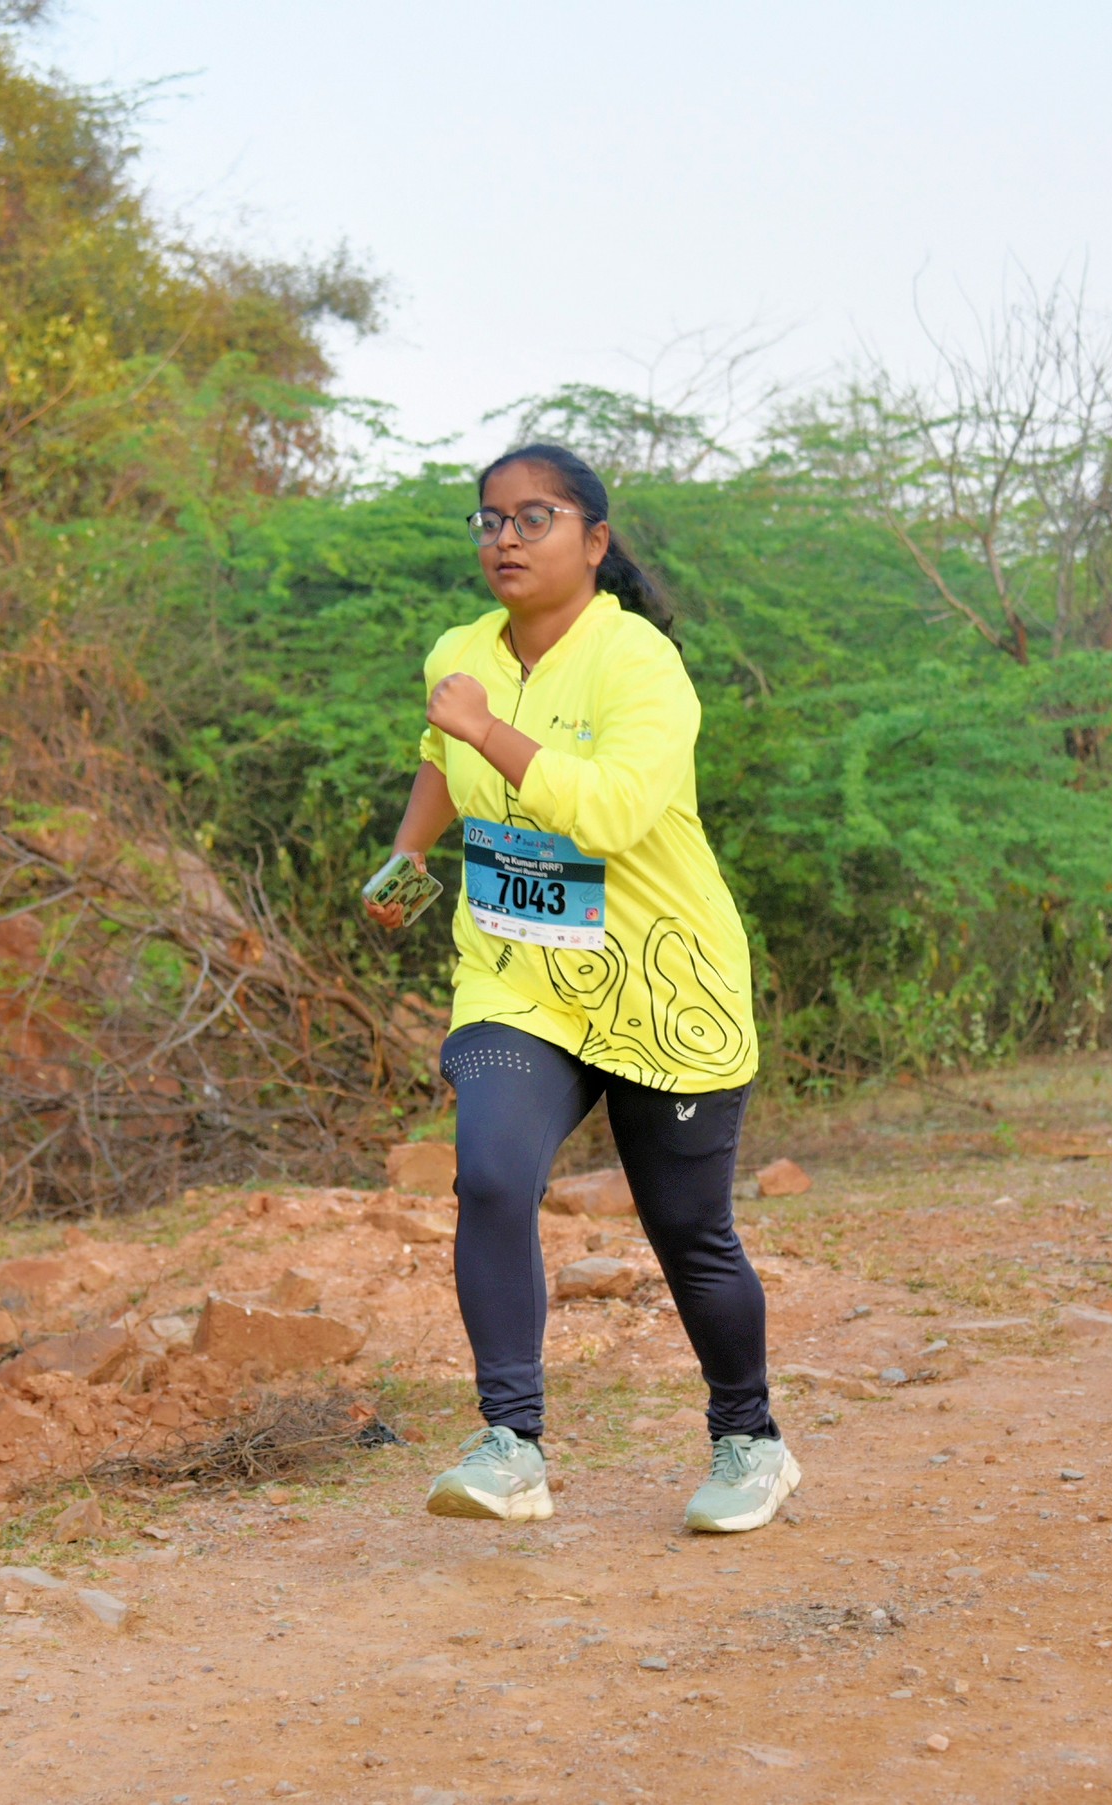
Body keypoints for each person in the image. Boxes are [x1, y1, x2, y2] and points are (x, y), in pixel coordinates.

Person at [367, 442, 797, 1534]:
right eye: (489, 519)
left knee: (688, 1232)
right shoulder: (460, 651)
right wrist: (410, 852)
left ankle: (749, 1439)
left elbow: (607, 812)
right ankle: (510, 1443)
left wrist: (487, 728)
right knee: (490, 1175)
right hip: (517, 975)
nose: (504, 538)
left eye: (534, 517)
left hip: (660, 981)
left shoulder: (640, 663)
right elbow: (440, 754)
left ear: (594, 541)